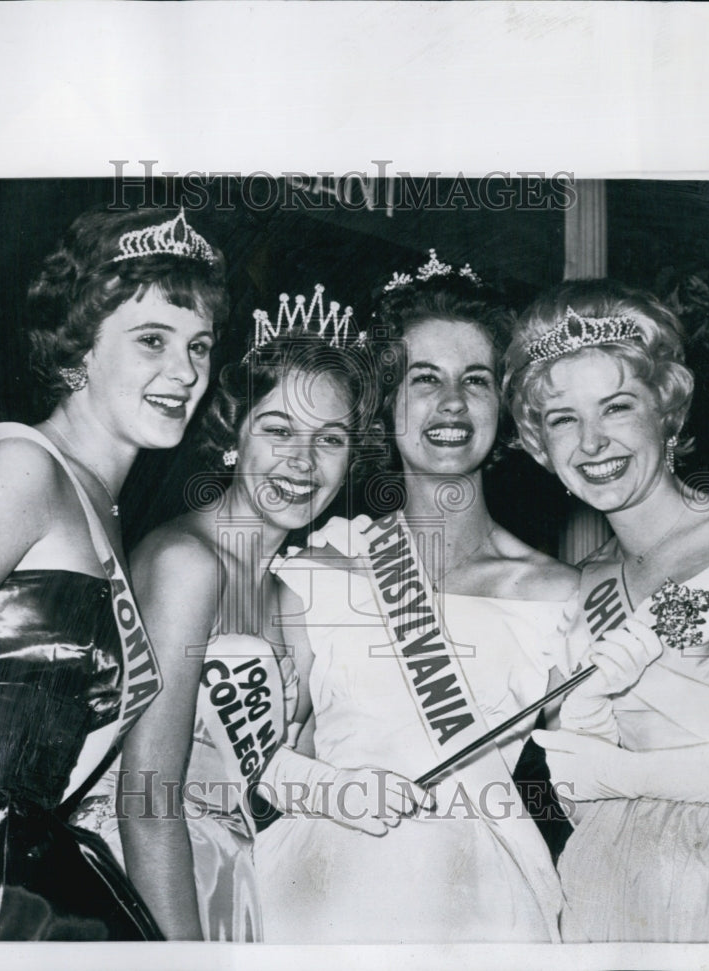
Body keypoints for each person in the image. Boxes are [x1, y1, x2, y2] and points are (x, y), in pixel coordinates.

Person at [0, 206, 227, 940]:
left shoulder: (101, 509)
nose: (186, 371)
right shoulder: (18, 471)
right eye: (151, 341)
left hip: (27, 868)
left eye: (199, 345)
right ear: (80, 351)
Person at [252, 252, 609, 944]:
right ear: (386, 404)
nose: (451, 403)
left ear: (503, 407)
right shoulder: (320, 571)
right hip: (323, 905)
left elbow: (594, 784)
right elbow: (251, 760)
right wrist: (335, 789)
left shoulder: (560, 595)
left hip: (486, 914)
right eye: (425, 379)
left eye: (475, 380)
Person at [504, 278, 709, 942]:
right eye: (564, 418)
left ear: (666, 409)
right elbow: (577, 790)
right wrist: (589, 724)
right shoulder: (573, 586)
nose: (592, 442)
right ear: (542, 443)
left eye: (616, 406)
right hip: (615, 886)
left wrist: (627, 769)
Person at [119, 286, 423, 941]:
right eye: (278, 428)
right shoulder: (184, 562)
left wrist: (345, 787)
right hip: (140, 886)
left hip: (236, 880)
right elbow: (146, 802)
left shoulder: (293, 599)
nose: (302, 461)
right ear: (233, 433)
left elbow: (263, 778)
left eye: (330, 439)